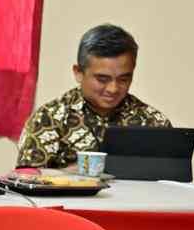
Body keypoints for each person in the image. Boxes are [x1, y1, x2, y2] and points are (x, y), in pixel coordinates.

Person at [16, 24, 171, 168]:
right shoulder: (49, 118)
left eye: (123, 79)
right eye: (102, 79)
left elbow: (171, 178)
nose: (113, 89)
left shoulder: (153, 122)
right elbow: (27, 176)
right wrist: (78, 173)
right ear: (78, 72)